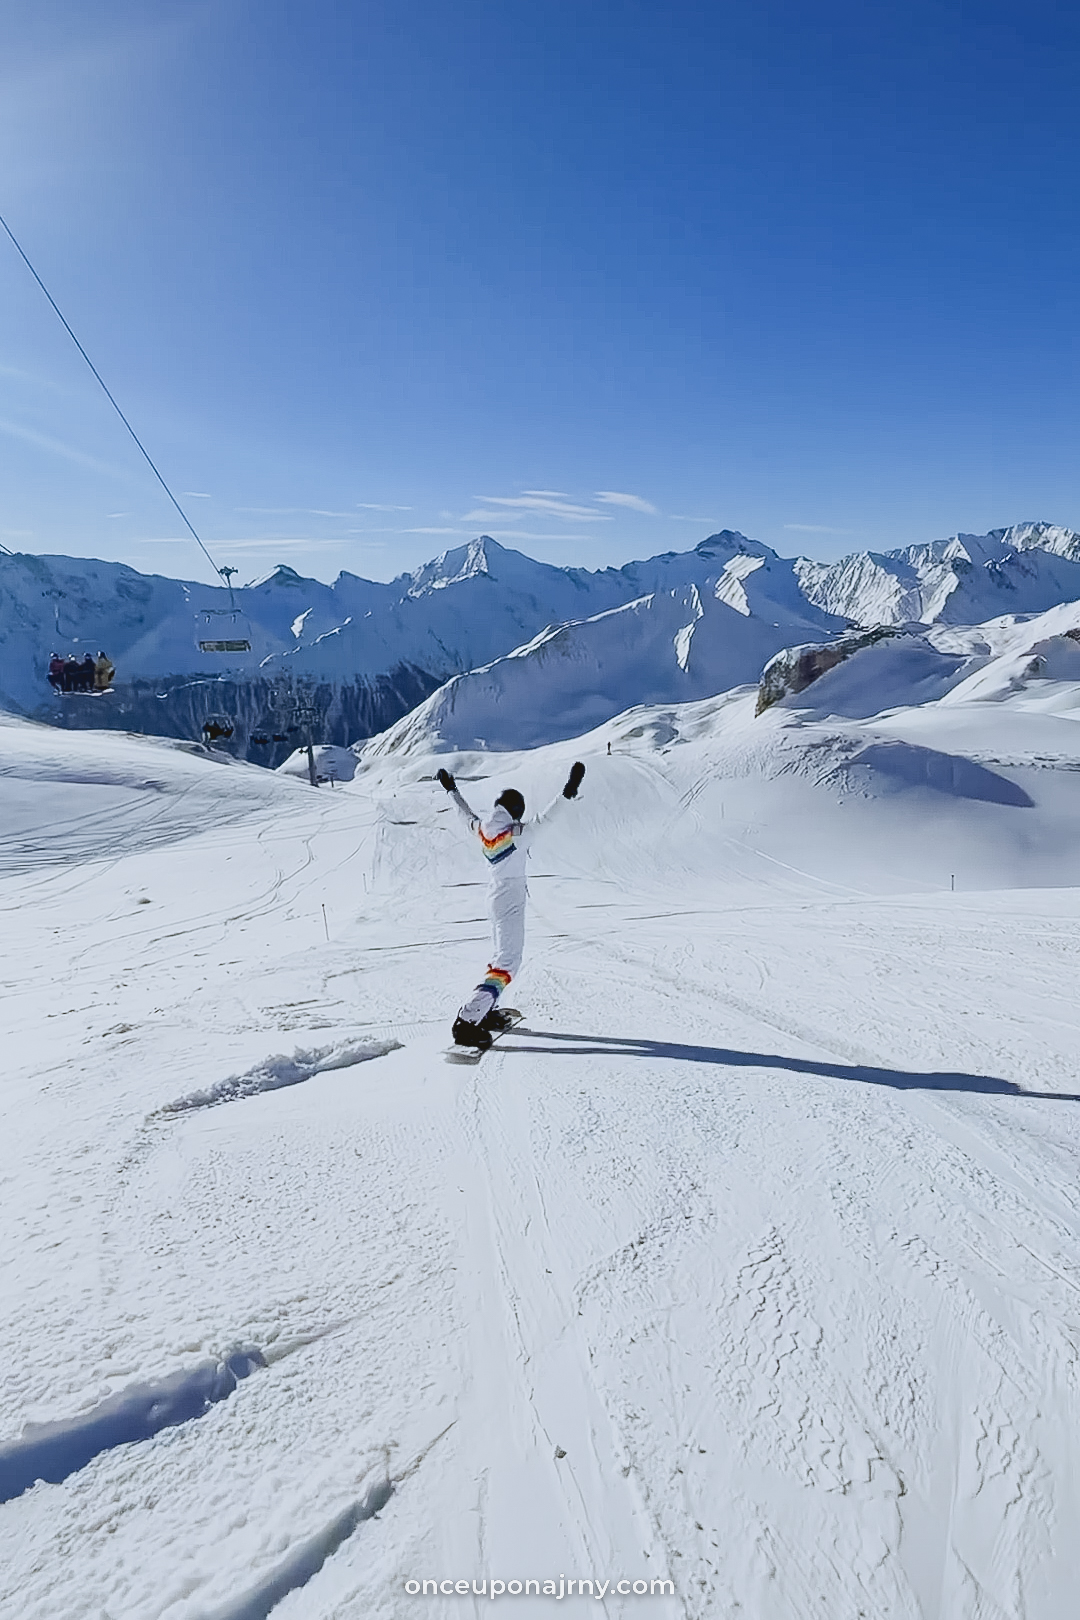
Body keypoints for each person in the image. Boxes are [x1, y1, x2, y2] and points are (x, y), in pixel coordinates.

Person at [436, 760, 586, 1049]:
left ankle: (485, 1010)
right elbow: (548, 819)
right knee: (507, 964)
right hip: (510, 902)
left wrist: (451, 789)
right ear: (516, 812)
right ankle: (467, 1021)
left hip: (495, 898)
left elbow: (464, 815)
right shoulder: (517, 836)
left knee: (500, 958)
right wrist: (569, 790)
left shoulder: (483, 830)